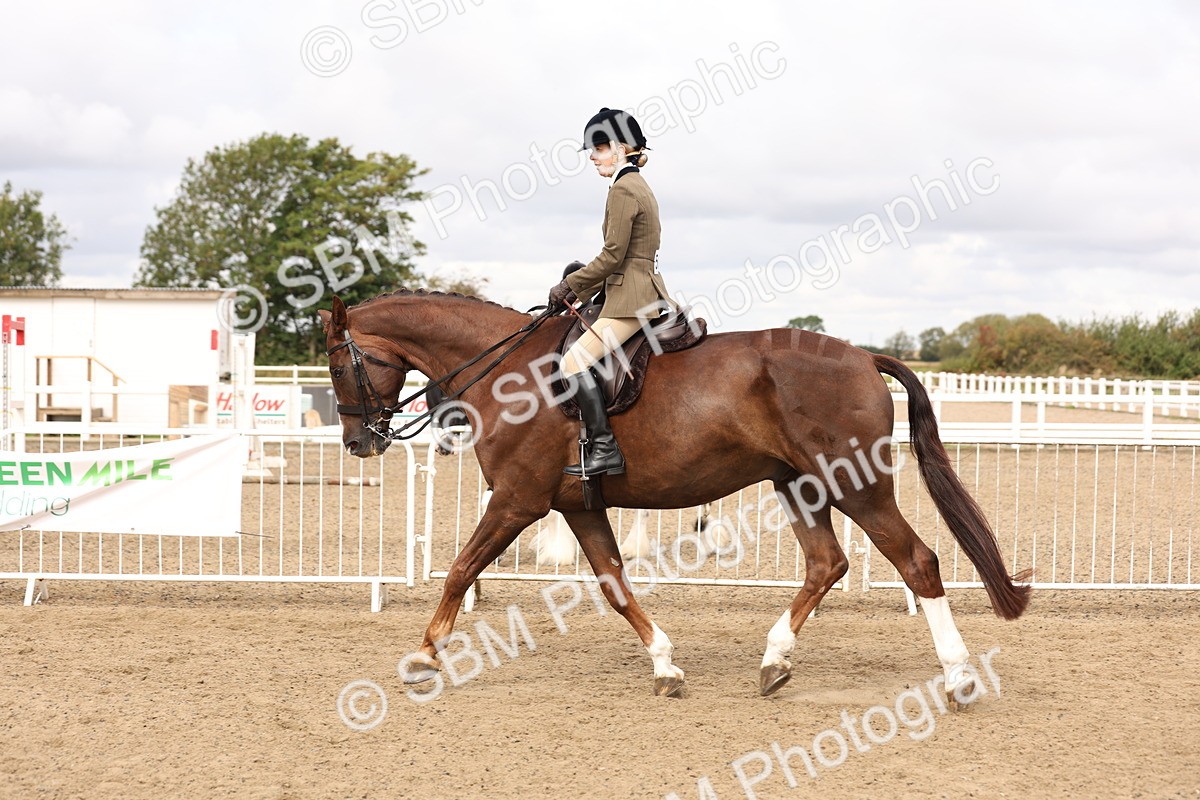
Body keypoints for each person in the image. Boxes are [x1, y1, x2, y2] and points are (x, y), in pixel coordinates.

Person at [547, 107, 674, 477]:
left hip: (630, 301)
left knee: (572, 363)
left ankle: (605, 448)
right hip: (636, 290)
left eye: (599, 148)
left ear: (620, 148)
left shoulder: (623, 189)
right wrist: (582, 290)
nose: (592, 156)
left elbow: (614, 255)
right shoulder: (637, 186)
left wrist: (569, 285)